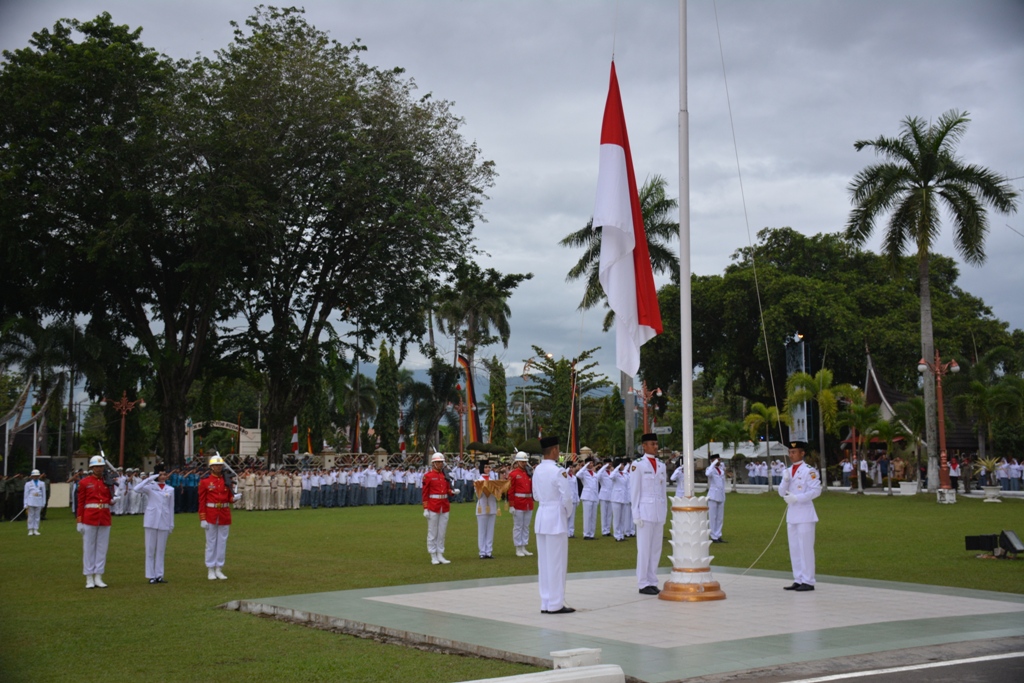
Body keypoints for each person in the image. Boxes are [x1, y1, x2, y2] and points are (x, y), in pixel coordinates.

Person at [532, 436, 575, 614]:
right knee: (557, 562)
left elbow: (535, 495)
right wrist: (568, 513)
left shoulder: (537, 469)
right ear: (555, 450)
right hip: (556, 517)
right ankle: (556, 603)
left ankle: (546, 602)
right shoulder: (558, 470)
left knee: (544, 563)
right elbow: (567, 497)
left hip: (542, 516)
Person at [779, 440, 821, 592]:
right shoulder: (789, 470)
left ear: (802, 453)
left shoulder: (809, 471)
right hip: (792, 515)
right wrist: (784, 480)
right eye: (790, 452)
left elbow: (816, 491)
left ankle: (808, 581)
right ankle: (798, 579)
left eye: (794, 452)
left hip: (805, 515)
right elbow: (780, 492)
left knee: (805, 549)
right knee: (795, 549)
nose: (791, 455)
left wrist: (798, 498)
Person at [630, 433, 668, 595]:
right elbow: (634, 491)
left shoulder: (661, 465)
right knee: (644, 548)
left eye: (656, 444)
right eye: (652, 444)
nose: (655, 447)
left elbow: (663, 491)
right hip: (644, 510)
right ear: (644, 446)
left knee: (655, 548)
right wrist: (635, 514)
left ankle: (652, 580)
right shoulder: (637, 464)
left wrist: (665, 511)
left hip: (658, 510)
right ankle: (643, 582)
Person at [77, 456, 118, 588]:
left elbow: (108, 499)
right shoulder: (84, 482)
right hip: (89, 517)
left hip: (104, 517)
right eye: (96, 466)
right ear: (92, 468)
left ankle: (98, 575)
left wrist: (113, 500)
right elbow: (81, 502)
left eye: (101, 466)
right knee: (89, 547)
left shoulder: (108, 482)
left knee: (102, 548)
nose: (99, 469)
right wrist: (79, 520)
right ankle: (89, 577)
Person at [134, 464, 175, 584]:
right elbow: (136, 489)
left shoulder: (170, 489)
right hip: (151, 521)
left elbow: (171, 507)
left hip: (164, 520)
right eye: (160, 474)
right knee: (150, 549)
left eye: (164, 474)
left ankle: (159, 575)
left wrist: (171, 524)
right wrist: (150, 478)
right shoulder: (150, 487)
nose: (163, 476)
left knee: (161, 550)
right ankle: (151, 575)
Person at [199, 455, 235, 580]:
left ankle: (219, 568)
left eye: (220, 465)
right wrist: (202, 518)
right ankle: (210, 568)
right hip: (211, 513)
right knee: (211, 542)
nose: (218, 467)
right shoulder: (205, 482)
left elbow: (229, 497)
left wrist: (234, 498)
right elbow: (202, 501)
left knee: (222, 542)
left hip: (224, 513)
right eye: (216, 465)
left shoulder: (227, 480)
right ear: (211, 467)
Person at [422, 452, 455, 564]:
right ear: (434, 463)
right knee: (432, 532)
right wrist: (425, 508)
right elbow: (425, 493)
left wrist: (453, 492)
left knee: (442, 532)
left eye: (441, 462)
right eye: (439, 462)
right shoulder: (428, 476)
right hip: (433, 506)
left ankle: (440, 554)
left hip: (444, 505)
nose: (441, 464)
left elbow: (447, 490)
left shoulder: (444, 475)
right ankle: (433, 555)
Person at [508, 452, 534, 557]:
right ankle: (518, 547)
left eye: (525, 462)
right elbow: (510, 490)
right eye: (522, 461)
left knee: (526, 526)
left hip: (528, 502)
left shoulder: (529, 473)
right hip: (518, 502)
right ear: (517, 462)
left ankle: (524, 546)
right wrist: (511, 505)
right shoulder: (513, 474)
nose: (524, 463)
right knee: (518, 526)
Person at [475, 462, 499, 559]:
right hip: (482, 507)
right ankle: (482, 551)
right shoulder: (478, 481)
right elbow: (478, 495)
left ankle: (489, 551)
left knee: (490, 530)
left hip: (492, 506)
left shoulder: (493, 480)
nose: (488, 469)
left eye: (489, 467)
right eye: (485, 467)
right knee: (482, 531)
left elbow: (498, 494)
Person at [575, 457, 600, 539]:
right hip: (587, 496)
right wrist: (584, 466)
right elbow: (577, 475)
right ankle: (586, 534)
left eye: (592, 463)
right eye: (589, 463)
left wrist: (597, 497)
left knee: (593, 516)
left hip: (594, 496)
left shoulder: (595, 474)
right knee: (587, 516)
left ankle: (591, 534)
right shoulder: (584, 473)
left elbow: (596, 487)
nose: (591, 464)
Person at [705, 453, 726, 543]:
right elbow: (707, 474)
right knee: (712, 517)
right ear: (712, 460)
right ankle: (713, 536)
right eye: (716, 459)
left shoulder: (721, 470)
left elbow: (723, 484)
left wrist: (724, 495)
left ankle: (718, 535)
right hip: (713, 496)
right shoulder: (710, 469)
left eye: (719, 459)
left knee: (720, 517)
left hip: (720, 495)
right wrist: (713, 463)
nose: (718, 461)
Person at [23, 469, 47, 536]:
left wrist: (43, 503)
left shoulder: (42, 483)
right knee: (31, 516)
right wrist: (25, 503)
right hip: (30, 501)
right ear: (32, 476)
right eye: (34, 476)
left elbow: (44, 494)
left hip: (39, 501)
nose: (35, 477)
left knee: (37, 516)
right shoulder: (28, 484)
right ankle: (30, 529)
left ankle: (36, 529)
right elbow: (26, 494)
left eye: (37, 476)